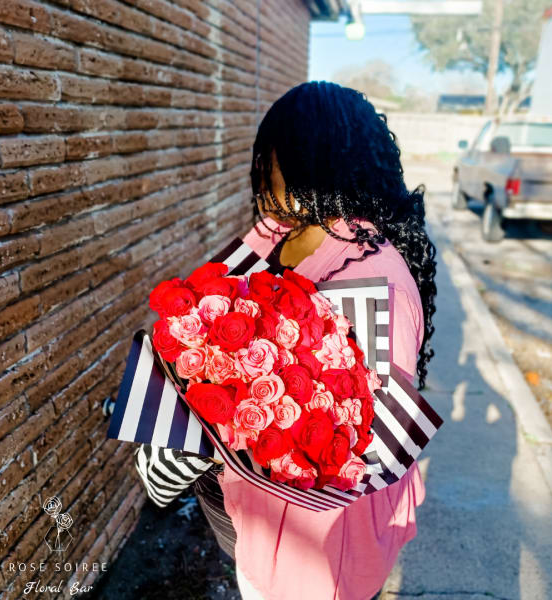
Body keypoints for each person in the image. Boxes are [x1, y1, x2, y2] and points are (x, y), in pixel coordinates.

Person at [134, 80, 437, 600]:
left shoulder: (376, 283)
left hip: (317, 548)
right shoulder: (280, 232)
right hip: (250, 516)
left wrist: (244, 421)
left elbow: (365, 449)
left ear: (310, 161)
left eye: (271, 160)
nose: (264, 176)